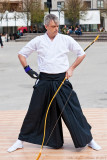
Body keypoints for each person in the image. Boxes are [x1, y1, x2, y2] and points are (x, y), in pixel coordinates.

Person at [8, 14, 101, 152]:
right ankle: (20, 140)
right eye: (53, 26)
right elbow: (21, 54)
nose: (56, 29)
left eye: (57, 26)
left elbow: (81, 54)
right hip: (44, 80)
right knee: (34, 110)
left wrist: (71, 68)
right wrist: (28, 69)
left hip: (61, 80)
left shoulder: (65, 39)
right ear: (46, 26)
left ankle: (89, 140)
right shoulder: (38, 40)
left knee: (74, 110)